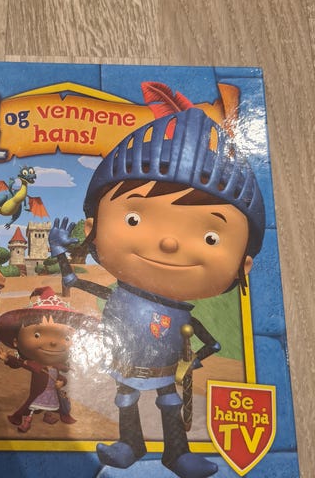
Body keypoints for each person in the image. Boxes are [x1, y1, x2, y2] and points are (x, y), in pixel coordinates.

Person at [49, 108, 265, 478]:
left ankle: (176, 453)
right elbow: (73, 282)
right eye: (134, 219)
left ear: (243, 266)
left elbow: (211, 343)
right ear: (92, 228)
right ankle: (130, 444)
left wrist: (192, 361)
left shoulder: (183, 314)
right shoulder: (121, 295)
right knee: (126, 399)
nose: (168, 242)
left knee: (169, 403)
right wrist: (59, 254)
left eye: (210, 237)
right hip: (127, 364)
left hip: (166, 370)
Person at [0, 286, 89, 432]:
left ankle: (48, 416)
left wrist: (61, 382)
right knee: (33, 406)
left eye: (66, 337)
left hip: (52, 392)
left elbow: (62, 377)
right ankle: (27, 421)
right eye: (37, 335)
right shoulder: (34, 365)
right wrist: (7, 358)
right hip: (39, 392)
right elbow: (21, 363)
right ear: (16, 341)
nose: (53, 343)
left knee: (51, 404)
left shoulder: (59, 366)